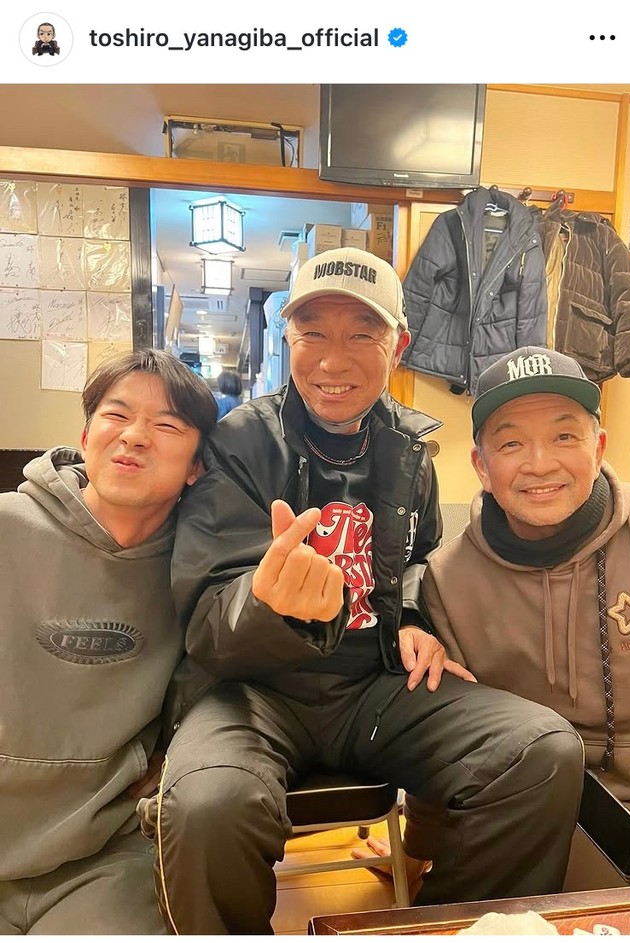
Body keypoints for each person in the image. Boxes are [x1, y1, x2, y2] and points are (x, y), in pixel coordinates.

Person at [141, 248, 584, 935]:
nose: (333, 359)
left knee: (540, 750)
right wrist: (269, 603)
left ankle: (448, 930)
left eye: (361, 334)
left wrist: (409, 615)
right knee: (207, 803)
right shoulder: (239, 442)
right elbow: (205, 621)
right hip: (252, 691)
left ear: (397, 346)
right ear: (287, 338)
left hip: (374, 686)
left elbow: (420, 558)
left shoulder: (411, 449)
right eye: (313, 332)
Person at [0, 349, 216, 934]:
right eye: (116, 415)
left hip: (106, 854)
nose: (135, 437)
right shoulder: (8, 527)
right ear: (85, 436)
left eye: (167, 425)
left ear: (197, 466)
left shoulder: (200, 568)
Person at [422, 345, 630, 814]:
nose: (540, 463)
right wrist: (420, 845)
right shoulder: (448, 580)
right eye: (511, 444)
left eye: (564, 436)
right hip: (527, 814)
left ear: (598, 449)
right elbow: (451, 741)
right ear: (481, 466)